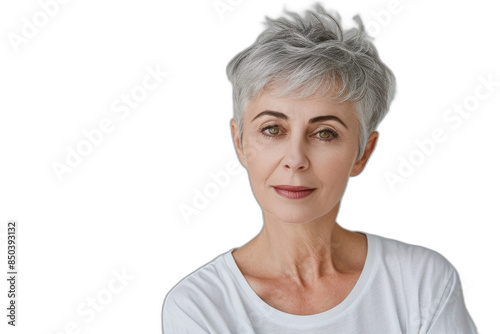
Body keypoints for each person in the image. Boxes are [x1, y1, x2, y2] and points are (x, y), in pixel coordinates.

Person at [162, 3, 477, 333]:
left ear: (363, 152)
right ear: (239, 143)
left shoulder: (422, 284)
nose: (295, 158)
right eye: (272, 129)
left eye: (325, 133)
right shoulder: (200, 304)